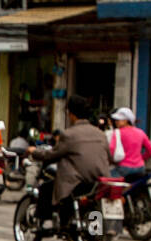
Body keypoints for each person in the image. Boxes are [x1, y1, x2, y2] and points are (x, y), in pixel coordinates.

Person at [28, 94, 110, 228]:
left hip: (76, 182)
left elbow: (51, 155)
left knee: (47, 187)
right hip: (98, 181)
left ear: (71, 114)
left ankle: (44, 224)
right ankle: (95, 230)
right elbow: (109, 156)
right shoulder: (101, 134)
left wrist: (33, 152)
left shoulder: (68, 134)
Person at [108, 106, 151, 181]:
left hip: (123, 168)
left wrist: (110, 161)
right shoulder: (141, 132)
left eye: (119, 119)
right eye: (116, 119)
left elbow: (111, 149)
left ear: (127, 120)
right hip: (140, 168)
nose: (116, 121)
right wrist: (142, 158)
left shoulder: (117, 132)